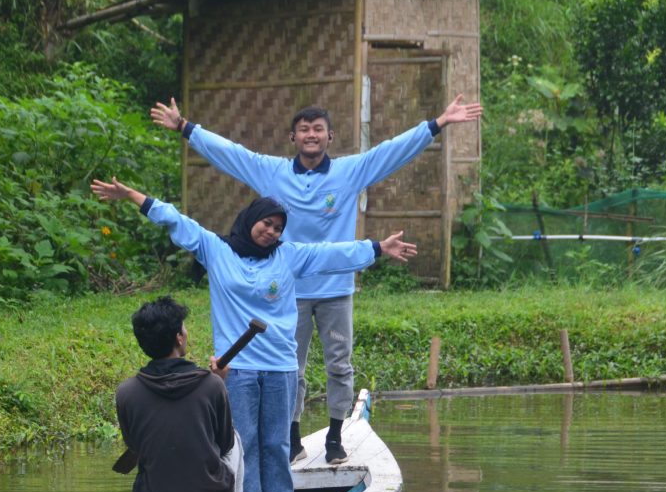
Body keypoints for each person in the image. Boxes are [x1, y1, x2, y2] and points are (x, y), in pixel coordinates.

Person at [150, 94, 483, 464]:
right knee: (292, 365)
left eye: (318, 129)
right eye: (304, 129)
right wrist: (184, 127)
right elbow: (232, 154)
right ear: (293, 138)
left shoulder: (348, 172)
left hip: (336, 288)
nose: (311, 135)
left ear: (330, 137)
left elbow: (391, 153)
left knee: (340, 364)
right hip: (287, 291)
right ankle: (292, 439)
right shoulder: (271, 171)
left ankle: (336, 437)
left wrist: (438, 122)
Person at [92, 177, 416, 492]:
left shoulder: (288, 256)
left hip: (280, 367)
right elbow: (175, 220)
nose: (272, 232)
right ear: (250, 220)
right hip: (237, 368)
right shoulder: (216, 251)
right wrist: (131, 194)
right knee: (242, 447)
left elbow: (332, 254)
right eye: (267, 223)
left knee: (276, 447)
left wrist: (378, 248)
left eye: (278, 227)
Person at [115, 296, 243, 492]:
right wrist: (219, 384)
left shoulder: (126, 392)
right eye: (184, 328)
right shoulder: (212, 385)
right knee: (236, 439)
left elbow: (135, 446)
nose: (186, 332)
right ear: (178, 338)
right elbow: (224, 444)